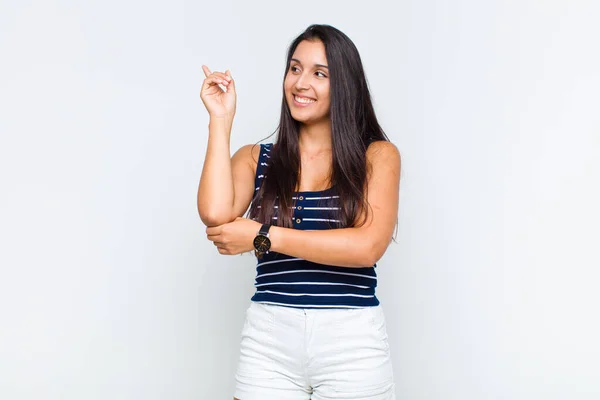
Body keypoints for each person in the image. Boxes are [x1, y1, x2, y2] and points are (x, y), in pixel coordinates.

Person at [197, 24, 400, 400]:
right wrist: (220, 120)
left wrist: (262, 235)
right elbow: (214, 213)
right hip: (269, 338)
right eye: (295, 68)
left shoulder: (376, 157)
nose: (301, 83)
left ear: (344, 86)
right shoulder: (257, 158)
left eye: (319, 73)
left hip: (350, 341)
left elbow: (367, 246)